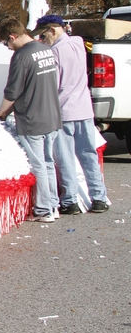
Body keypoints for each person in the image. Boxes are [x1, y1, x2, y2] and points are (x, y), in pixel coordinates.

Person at [32, 14, 109, 213]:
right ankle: (99, 196)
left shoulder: (55, 52)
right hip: (84, 108)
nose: (42, 40)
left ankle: (70, 200)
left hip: (64, 111)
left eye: (43, 35)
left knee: (65, 157)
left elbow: (53, 85)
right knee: (88, 154)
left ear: (52, 30)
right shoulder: (78, 43)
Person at [0, 18, 62, 223]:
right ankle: (53, 204)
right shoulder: (45, 49)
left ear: (12, 37)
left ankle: (43, 210)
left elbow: (13, 90)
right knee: (49, 163)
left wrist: (1, 114)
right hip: (51, 114)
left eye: (7, 43)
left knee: (39, 165)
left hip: (33, 118)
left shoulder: (21, 56)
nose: (8, 47)